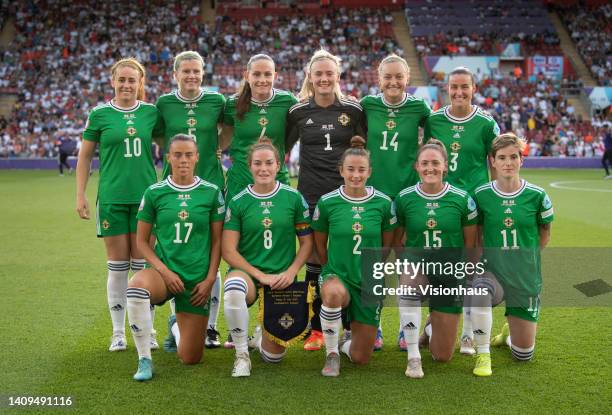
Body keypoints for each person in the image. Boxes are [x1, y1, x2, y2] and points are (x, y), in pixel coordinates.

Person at [76, 57, 159, 352]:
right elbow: (85, 156)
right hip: (111, 199)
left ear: (140, 84)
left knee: (143, 267)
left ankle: (147, 331)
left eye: (131, 80)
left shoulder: (151, 112)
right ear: (112, 82)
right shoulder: (99, 114)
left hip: (146, 201)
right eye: (121, 80)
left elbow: (176, 144)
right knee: (118, 267)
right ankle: (118, 333)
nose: (126, 85)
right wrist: (80, 195)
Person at [286, 49, 367, 351]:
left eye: (328, 73)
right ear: (310, 77)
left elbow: (364, 149)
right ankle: (316, 327)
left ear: (337, 76)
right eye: (317, 73)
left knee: (346, 257)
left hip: (346, 199)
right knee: (315, 260)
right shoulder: (297, 112)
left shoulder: (354, 111)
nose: (323, 78)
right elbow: (278, 150)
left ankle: (351, 322)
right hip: (310, 196)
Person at [126, 134, 225, 381]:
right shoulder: (154, 192)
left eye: (188, 155)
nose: (183, 160)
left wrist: (210, 277)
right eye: (177, 155)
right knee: (136, 287)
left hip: (196, 281)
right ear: (168, 157)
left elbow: (217, 241)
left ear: (197, 158)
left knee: (191, 358)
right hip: (162, 274)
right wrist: (165, 271)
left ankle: (174, 326)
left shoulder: (211, 192)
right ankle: (144, 359)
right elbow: (141, 242)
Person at [423, 66, 500, 354]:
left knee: (470, 266)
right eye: (453, 87)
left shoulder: (485, 123)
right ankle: (435, 323)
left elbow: (495, 161)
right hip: (442, 205)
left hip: (475, 204)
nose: (458, 92)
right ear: (447, 89)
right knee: (439, 266)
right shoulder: (434, 120)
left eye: (464, 87)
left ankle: (467, 333)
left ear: (473, 89)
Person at [221, 140, 313, 377]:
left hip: (281, 280)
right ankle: (241, 355)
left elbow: (307, 243)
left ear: (278, 165)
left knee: (273, 357)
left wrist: (291, 272)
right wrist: (259, 275)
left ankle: (261, 335)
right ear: (249, 166)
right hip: (250, 276)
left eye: (269, 163)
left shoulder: (293, 198)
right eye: (257, 163)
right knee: (233, 288)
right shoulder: (239, 201)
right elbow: (228, 250)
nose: (263, 168)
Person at [155, 51, 226, 350]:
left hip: (210, 185)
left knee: (212, 254)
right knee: (177, 252)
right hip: (174, 187)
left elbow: (231, 128)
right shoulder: (164, 103)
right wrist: (176, 157)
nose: (192, 76)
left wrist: (215, 150)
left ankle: (209, 326)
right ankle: (177, 321)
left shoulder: (217, 101)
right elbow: (158, 136)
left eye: (197, 71)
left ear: (203, 73)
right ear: (175, 74)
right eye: (186, 71)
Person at [361, 53, 431, 350]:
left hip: (406, 197)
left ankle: (407, 329)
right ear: (379, 79)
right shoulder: (367, 105)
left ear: (407, 80)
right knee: (374, 265)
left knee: (408, 266)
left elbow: (434, 143)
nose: (393, 82)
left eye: (398, 77)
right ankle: (372, 326)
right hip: (373, 197)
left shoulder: (419, 108)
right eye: (387, 77)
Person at [393, 139, 478, 378]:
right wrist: (406, 266)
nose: (430, 168)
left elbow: (469, 243)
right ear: (417, 167)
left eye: (435, 163)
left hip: (449, 274)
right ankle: (413, 357)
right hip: (418, 266)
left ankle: (430, 328)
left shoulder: (462, 199)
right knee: (408, 285)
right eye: (425, 163)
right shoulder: (404, 198)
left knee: (443, 356)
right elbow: (398, 240)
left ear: (445, 167)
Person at [471, 133, 554, 376]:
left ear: (521, 160)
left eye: (514, 157)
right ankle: (482, 354)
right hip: (492, 272)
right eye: (502, 157)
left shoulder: (537, 196)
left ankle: (507, 333)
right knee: (479, 292)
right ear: (492, 161)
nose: (508, 162)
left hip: (524, 277)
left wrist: (524, 259)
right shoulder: (482, 195)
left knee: (523, 355)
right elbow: (476, 234)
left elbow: (544, 234)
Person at [312, 144, 397, 377]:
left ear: (369, 171)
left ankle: (344, 344)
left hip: (368, 280)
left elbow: (386, 244)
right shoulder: (328, 202)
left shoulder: (383, 203)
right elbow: (320, 243)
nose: (356, 175)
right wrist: (329, 269)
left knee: (361, 358)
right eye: (350, 169)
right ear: (341, 170)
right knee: (333, 293)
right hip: (337, 273)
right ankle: (332, 354)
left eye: (361, 170)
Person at [222, 54, 298, 202]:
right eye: (256, 74)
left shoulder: (287, 101)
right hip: (240, 184)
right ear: (246, 75)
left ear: (275, 76)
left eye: (267, 74)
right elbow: (223, 135)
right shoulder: (232, 104)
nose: (262, 80)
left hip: (277, 182)